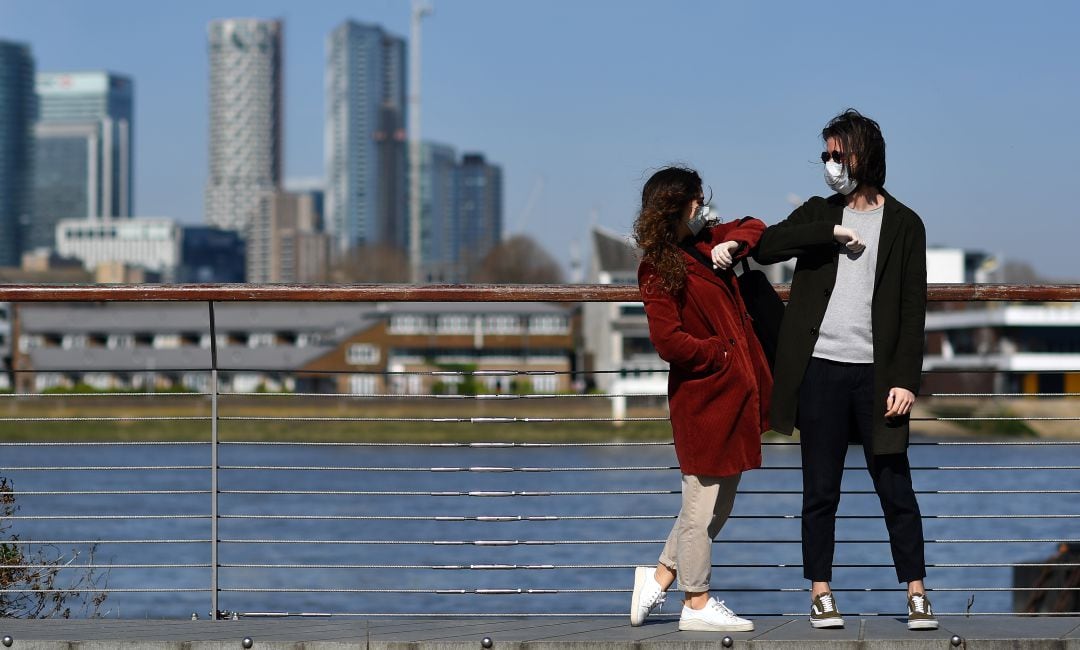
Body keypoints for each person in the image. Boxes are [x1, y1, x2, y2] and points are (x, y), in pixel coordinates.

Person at [755, 109, 937, 631]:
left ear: (865, 155)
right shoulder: (818, 211)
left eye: (839, 154)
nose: (831, 164)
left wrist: (906, 379)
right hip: (819, 372)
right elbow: (768, 245)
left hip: (877, 379)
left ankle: (917, 592)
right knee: (820, 490)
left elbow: (911, 309)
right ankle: (820, 593)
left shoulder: (906, 224)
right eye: (826, 155)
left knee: (894, 486)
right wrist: (828, 232)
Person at [628, 166, 772, 631]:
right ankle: (696, 602)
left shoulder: (708, 240)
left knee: (717, 504)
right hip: (703, 399)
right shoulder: (657, 265)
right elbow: (668, 340)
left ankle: (660, 576)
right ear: (681, 205)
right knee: (701, 504)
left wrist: (733, 244)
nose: (703, 206)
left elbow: (755, 224)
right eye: (697, 200)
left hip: (733, 395)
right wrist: (720, 353)